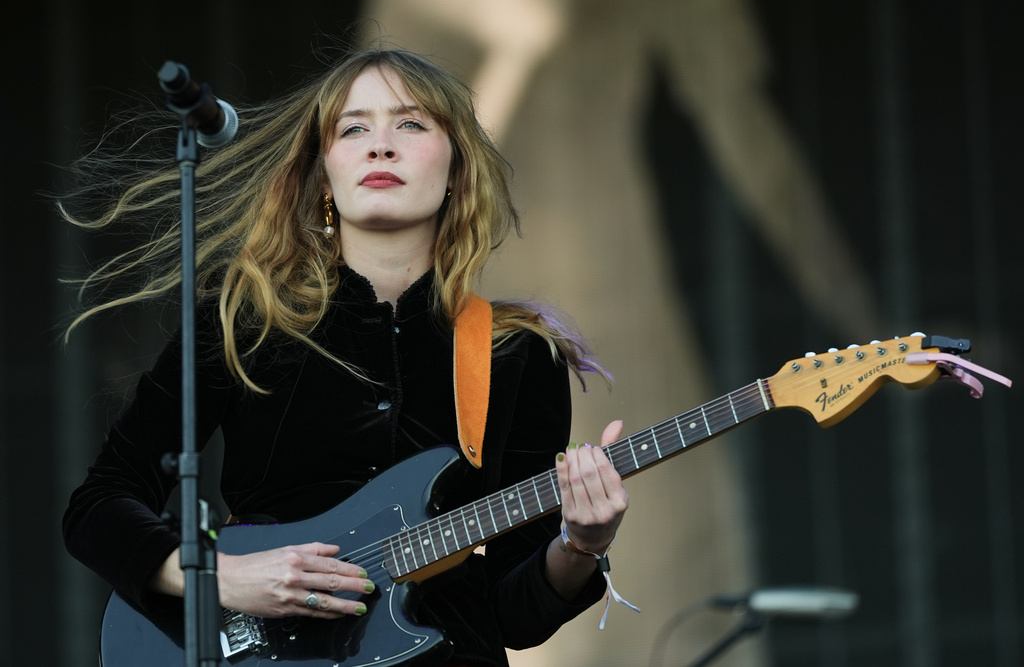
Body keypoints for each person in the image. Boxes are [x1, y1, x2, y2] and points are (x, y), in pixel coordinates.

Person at [62, 47, 630, 666]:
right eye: (353, 128)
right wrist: (216, 579)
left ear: (457, 170)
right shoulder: (246, 322)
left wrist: (580, 544)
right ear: (324, 173)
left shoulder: (516, 352)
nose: (380, 145)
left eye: (411, 124)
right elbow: (100, 505)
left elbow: (514, 614)